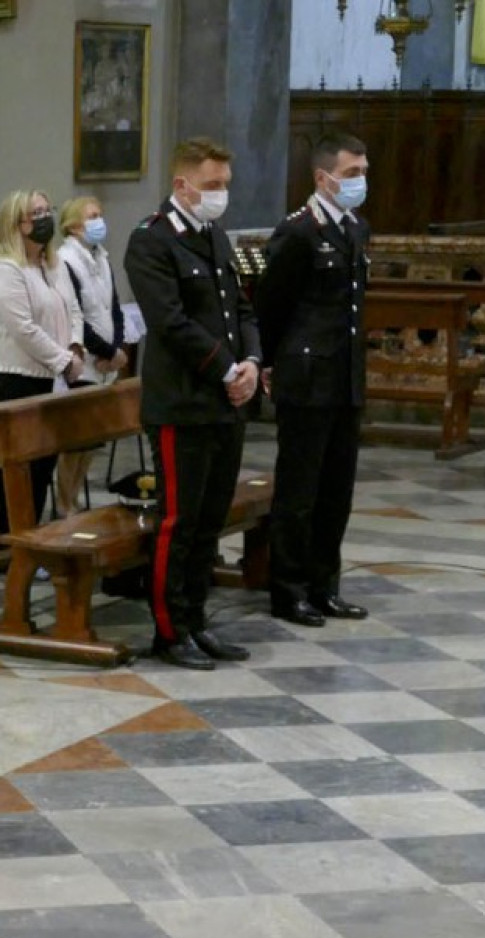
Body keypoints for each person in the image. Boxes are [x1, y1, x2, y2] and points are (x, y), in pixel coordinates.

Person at [125, 137, 263, 671]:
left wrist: (251, 362)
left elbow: (240, 311)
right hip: (182, 403)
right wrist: (227, 369)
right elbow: (170, 322)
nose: (220, 195)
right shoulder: (151, 241)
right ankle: (169, 629)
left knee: (210, 522)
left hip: (226, 402)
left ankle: (197, 621)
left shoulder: (214, 236)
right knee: (179, 522)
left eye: (225, 185)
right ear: (181, 185)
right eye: (212, 185)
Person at [255, 132, 373, 628]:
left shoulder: (355, 229)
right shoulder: (297, 232)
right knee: (299, 492)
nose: (360, 182)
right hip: (306, 376)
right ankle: (289, 589)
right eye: (351, 174)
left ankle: (326, 585)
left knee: (336, 490)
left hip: (343, 376)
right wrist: (270, 363)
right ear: (323, 178)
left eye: (364, 173)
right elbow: (270, 304)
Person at [0, 190, 88, 524]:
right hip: (20, 379)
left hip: (55, 376)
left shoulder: (52, 263)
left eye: (48, 210)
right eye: (36, 213)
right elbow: (24, 329)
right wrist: (63, 361)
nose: (45, 218)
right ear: (17, 223)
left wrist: (75, 348)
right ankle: (14, 545)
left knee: (44, 467)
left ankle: (37, 540)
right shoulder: (7, 269)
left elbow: (74, 310)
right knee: (23, 471)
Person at [57, 197, 128, 387]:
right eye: (93, 217)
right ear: (73, 227)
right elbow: (75, 319)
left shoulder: (102, 257)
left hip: (107, 367)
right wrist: (110, 353)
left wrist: (116, 350)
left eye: (100, 216)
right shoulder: (65, 261)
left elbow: (114, 308)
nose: (100, 222)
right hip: (84, 368)